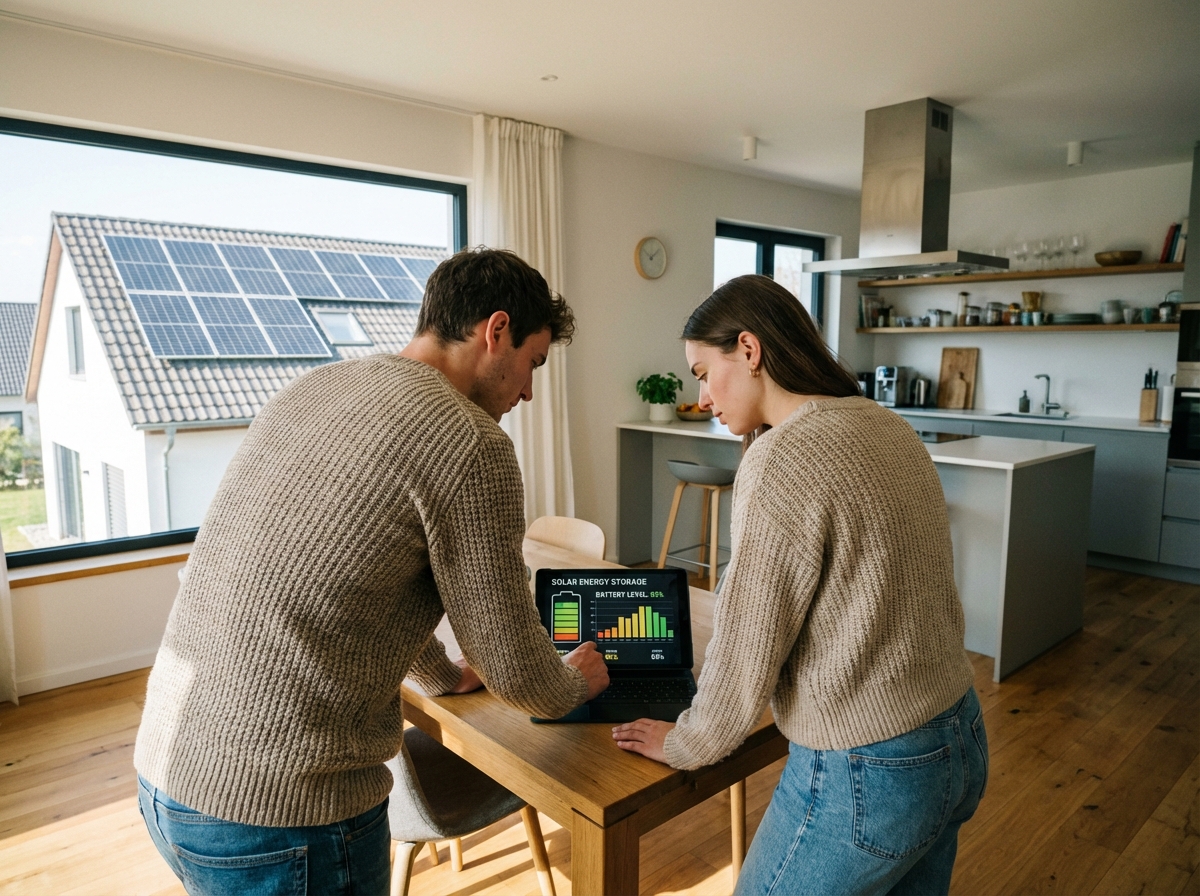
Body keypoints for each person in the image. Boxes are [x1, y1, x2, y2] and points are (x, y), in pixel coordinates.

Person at [135, 247, 608, 895]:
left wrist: (439, 678)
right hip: (282, 813)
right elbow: (514, 668)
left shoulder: (316, 386)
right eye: (533, 364)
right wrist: (573, 683)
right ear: (496, 332)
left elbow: (358, 578)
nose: (528, 390)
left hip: (170, 775)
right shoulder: (469, 442)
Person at [613, 274, 987, 896]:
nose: (701, 396)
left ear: (751, 350)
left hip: (869, 768)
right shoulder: (884, 421)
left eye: (704, 372)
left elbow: (749, 639)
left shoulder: (784, 457)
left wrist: (689, 740)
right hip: (957, 735)